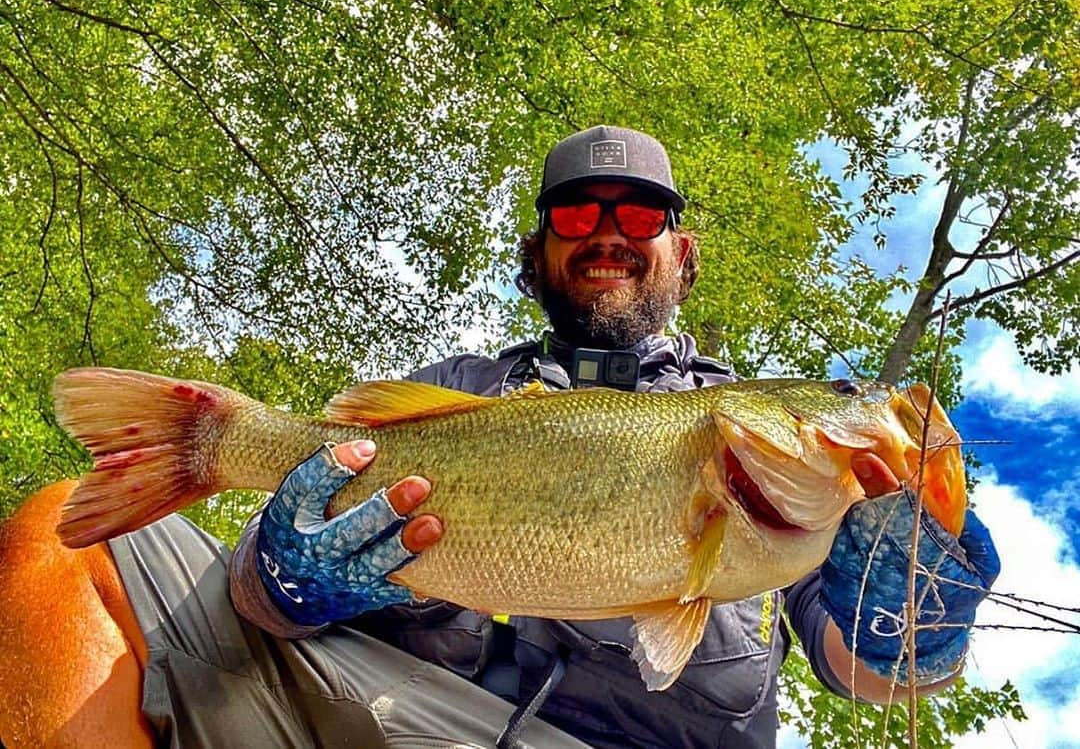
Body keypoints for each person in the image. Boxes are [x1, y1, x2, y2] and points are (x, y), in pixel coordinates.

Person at [0, 126, 999, 749]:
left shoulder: (795, 487)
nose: (609, 228)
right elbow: (261, 601)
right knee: (59, 537)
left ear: (680, 257)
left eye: (641, 213)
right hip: (386, 723)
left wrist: (915, 617)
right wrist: (283, 578)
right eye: (577, 211)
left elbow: (865, 672)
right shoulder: (450, 394)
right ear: (538, 254)